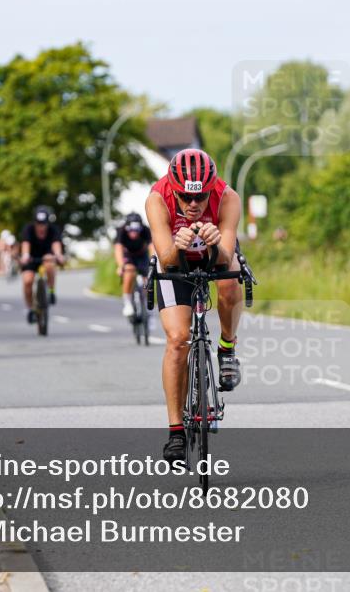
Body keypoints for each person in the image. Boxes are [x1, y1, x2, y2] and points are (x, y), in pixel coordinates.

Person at [145, 148, 243, 463]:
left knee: (230, 283)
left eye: (200, 198)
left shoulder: (228, 198)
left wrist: (215, 243)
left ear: (211, 188)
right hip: (174, 262)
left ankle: (227, 348)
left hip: (215, 256)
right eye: (186, 198)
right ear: (173, 188)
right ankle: (176, 432)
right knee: (177, 340)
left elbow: (226, 257)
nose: (193, 205)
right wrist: (177, 245)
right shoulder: (157, 200)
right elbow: (167, 259)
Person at [20, 205, 66, 323]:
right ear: (35, 222)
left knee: (50, 263)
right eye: (39, 224)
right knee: (27, 281)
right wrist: (25, 256)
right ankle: (30, 308)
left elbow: (56, 245)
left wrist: (59, 255)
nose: (41, 227)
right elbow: (26, 244)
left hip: (46, 256)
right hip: (31, 258)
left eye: (44, 224)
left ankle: (51, 291)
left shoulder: (53, 230)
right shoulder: (28, 229)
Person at [113, 212, 154, 317]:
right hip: (128, 255)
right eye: (131, 230)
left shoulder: (145, 230)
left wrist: (153, 263)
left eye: (137, 230)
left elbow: (151, 247)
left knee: (147, 278)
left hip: (142, 254)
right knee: (129, 271)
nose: (134, 233)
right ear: (126, 227)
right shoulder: (121, 230)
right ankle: (127, 302)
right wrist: (121, 265)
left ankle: (145, 303)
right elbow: (118, 249)